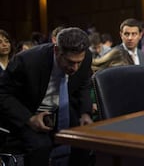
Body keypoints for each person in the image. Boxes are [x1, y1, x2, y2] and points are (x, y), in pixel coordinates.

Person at [0, 27, 93, 166]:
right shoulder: (26, 61)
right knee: (40, 146)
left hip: (63, 109)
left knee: (85, 140)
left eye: (79, 62)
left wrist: (85, 113)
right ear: (57, 51)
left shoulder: (85, 57)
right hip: (30, 111)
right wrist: (29, 119)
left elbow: (84, 84)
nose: (75, 68)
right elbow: (3, 94)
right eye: (70, 62)